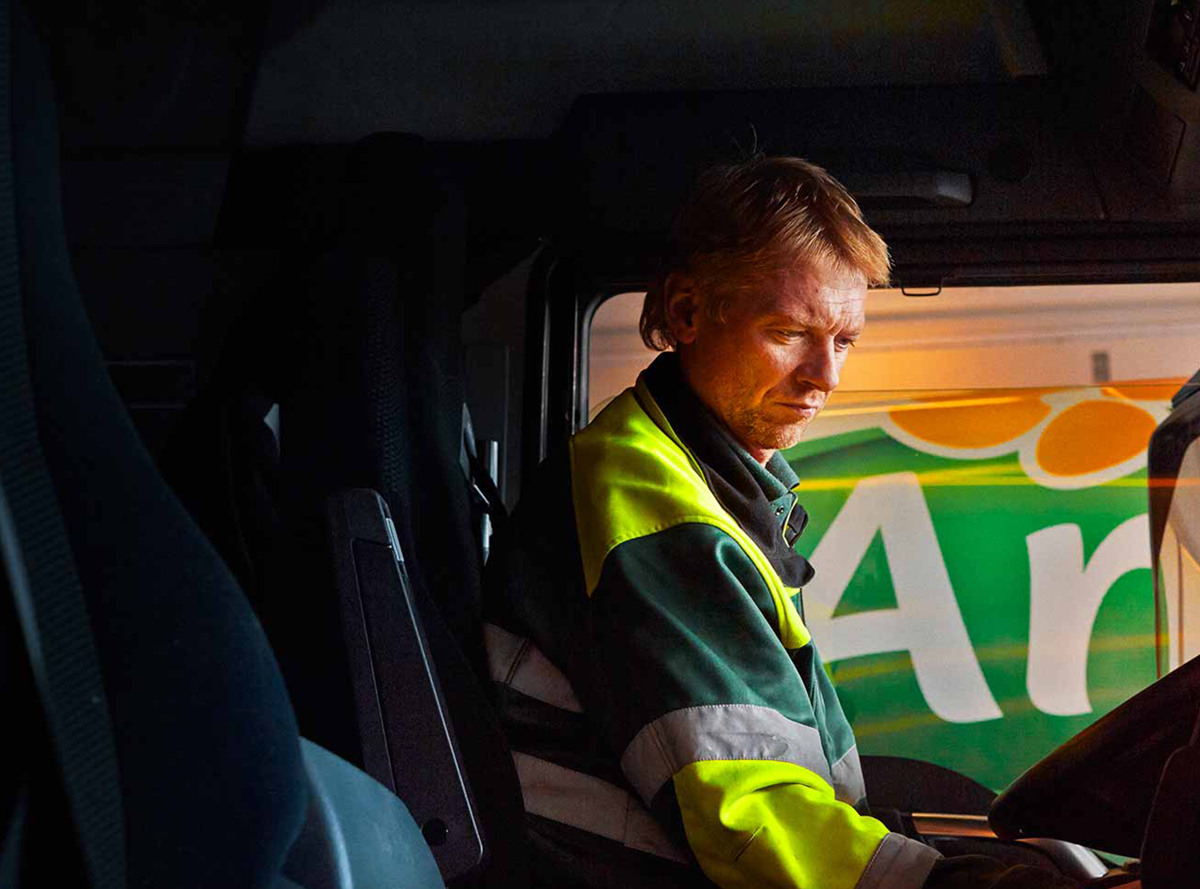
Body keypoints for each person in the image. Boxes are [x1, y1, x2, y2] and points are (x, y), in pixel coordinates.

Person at [483, 156, 1129, 889]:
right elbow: (751, 812)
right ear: (689, 313)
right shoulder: (644, 495)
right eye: (790, 330)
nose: (825, 374)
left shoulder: (714, 484)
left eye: (845, 339)